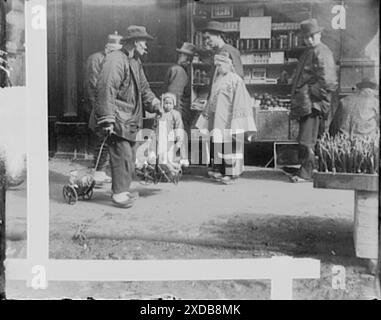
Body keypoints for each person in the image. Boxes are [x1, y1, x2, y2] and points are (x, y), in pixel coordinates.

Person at [95, 25, 163, 208]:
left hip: (130, 117)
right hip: (118, 116)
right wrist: (108, 119)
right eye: (144, 42)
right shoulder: (116, 60)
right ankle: (118, 194)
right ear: (134, 42)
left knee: (129, 155)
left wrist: (155, 103)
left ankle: (122, 190)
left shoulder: (134, 61)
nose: (146, 47)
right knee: (122, 155)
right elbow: (106, 88)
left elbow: (143, 87)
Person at [289, 18, 338, 183]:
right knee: (307, 138)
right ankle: (309, 169)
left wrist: (313, 94)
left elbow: (329, 82)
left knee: (306, 140)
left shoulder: (322, 51)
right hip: (306, 102)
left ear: (319, 34)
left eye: (312, 36)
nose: (309, 39)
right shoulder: (310, 51)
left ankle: (306, 173)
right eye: (306, 37)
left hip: (312, 103)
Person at [203, 54, 256, 184]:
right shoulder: (218, 79)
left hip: (230, 119)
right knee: (220, 145)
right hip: (218, 119)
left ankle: (232, 174)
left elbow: (241, 101)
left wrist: (237, 121)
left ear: (228, 64)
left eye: (220, 65)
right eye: (217, 66)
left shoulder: (235, 80)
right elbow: (212, 100)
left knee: (231, 147)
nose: (218, 68)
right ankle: (221, 170)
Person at [85, 31, 123, 185]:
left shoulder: (113, 60)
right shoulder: (96, 59)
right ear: (107, 48)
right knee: (102, 139)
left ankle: (100, 171)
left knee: (109, 139)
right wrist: (101, 110)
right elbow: (93, 85)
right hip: (100, 106)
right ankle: (98, 172)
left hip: (112, 106)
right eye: (113, 51)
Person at [164, 42, 196, 134]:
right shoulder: (179, 71)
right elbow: (175, 98)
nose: (189, 61)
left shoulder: (178, 69)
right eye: (185, 56)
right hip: (179, 119)